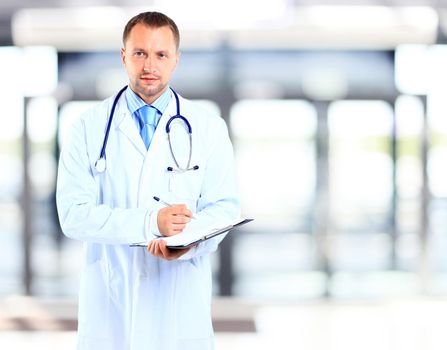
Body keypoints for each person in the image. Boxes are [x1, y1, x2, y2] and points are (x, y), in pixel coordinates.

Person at [56, 11, 240, 350]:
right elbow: (72, 215)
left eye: (161, 54)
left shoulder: (207, 127)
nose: (149, 65)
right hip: (111, 311)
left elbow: (225, 208)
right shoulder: (87, 127)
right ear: (124, 55)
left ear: (176, 60)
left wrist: (188, 241)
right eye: (140, 53)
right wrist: (150, 223)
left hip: (179, 309)